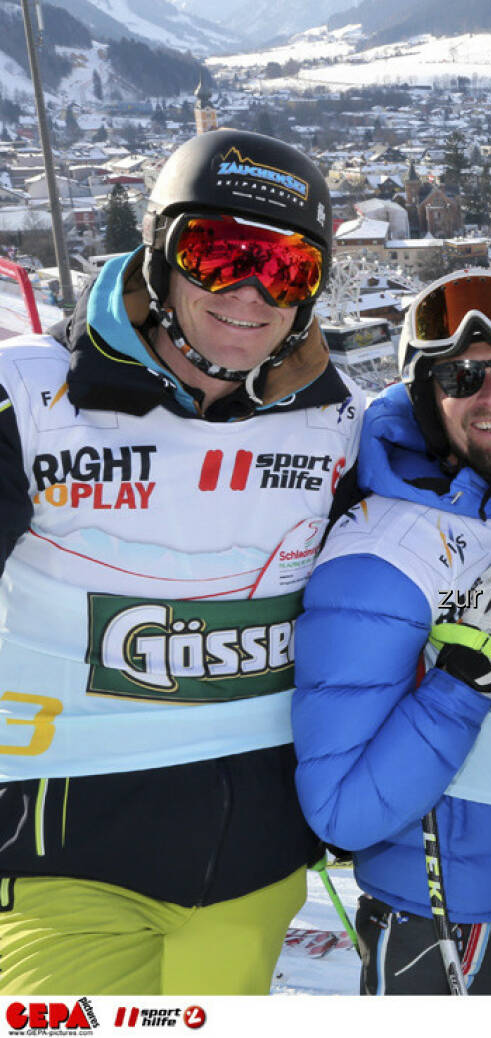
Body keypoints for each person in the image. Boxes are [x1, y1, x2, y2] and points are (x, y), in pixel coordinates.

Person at [0, 129, 361, 993]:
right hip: (67, 843)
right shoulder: (32, 397)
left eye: (287, 269)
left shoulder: (336, 421)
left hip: (253, 857)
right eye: (218, 253)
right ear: (161, 257)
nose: (249, 292)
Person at [291, 269, 491, 994]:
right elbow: (341, 810)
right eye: (461, 378)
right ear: (425, 400)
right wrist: (466, 675)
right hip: (453, 919)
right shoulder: (380, 559)